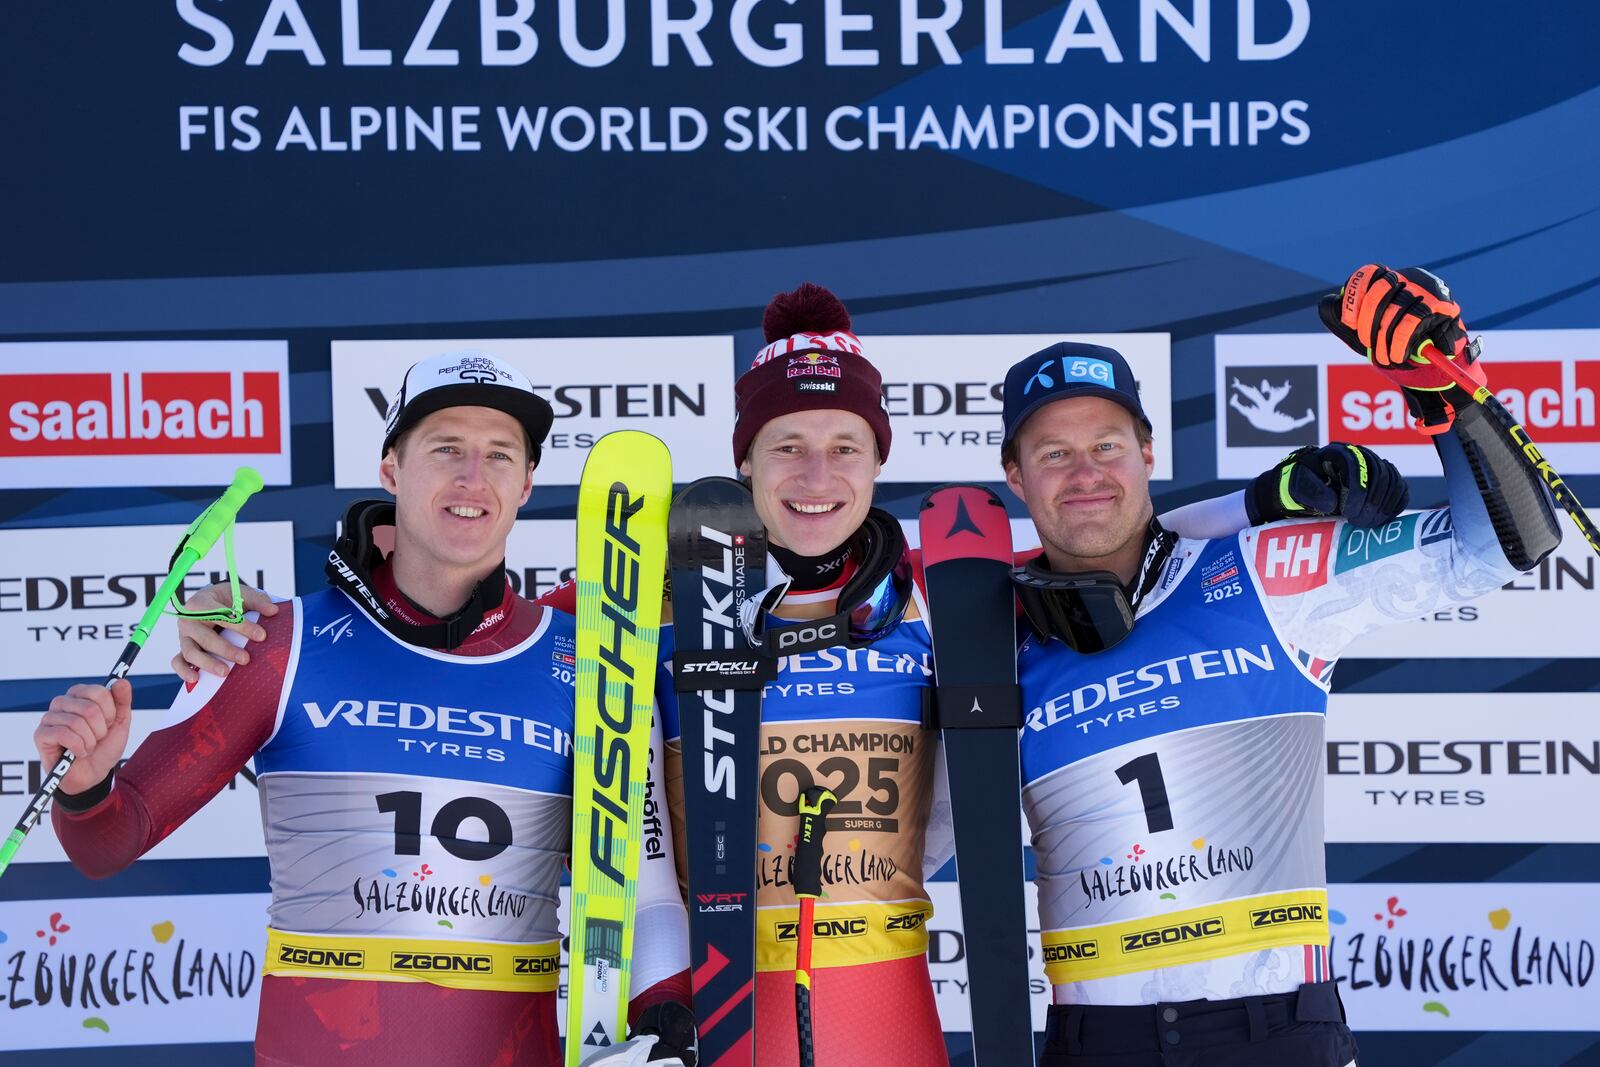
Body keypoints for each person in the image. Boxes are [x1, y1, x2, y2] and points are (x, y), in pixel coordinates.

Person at [174, 287, 1405, 1065]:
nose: (815, 475)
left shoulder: (949, 600)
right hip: (718, 1009)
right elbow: (462, 637)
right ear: (743, 463)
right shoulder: (652, 605)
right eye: (784, 448)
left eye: (845, 447)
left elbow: (1101, 539)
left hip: (888, 1011)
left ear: (880, 459)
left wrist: (1252, 501)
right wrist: (275, 629)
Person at [35, 352, 695, 1067]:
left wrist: (666, 1024)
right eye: (446, 447)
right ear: (391, 469)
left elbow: (647, 892)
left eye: (499, 454)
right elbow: (107, 842)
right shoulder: (275, 643)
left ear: (527, 482)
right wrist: (86, 783)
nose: (473, 477)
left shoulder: (591, 662)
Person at [1000, 266, 1561, 1066]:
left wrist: (1444, 392)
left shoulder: (1269, 571)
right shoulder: (994, 638)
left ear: (1148, 452)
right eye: (1054, 452)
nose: (1086, 473)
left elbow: (1501, 547)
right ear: (1016, 476)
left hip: (1273, 1032)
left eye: (1107, 445)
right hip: (1096, 1042)